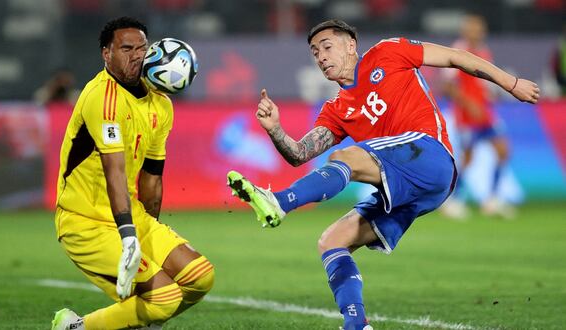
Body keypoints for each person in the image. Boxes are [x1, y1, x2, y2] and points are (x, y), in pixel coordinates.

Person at [227, 19, 539, 330]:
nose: (321, 57)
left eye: (326, 47)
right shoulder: (336, 109)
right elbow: (298, 154)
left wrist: (510, 83)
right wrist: (275, 131)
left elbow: (456, 58)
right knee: (332, 241)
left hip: (431, 155)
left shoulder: (388, 53)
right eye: (314, 52)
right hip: (414, 188)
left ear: (351, 45)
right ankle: (356, 324)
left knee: (346, 157)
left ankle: (280, 201)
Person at [51, 17, 214, 330]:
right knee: (164, 298)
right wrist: (129, 237)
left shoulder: (161, 104)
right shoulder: (102, 97)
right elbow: (114, 171)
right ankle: (75, 328)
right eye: (126, 48)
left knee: (200, 277)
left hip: (131, 214)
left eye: (141, 48)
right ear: (106, 54)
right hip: (86, 222)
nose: (136, 55)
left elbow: (152, 177)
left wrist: (150, 228)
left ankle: (141, 322)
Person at [440, 14, 514, 219]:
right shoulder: (457, 52)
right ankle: (453, 200)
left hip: (485, 113)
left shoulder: (483, 51)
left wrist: (490, 94)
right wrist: (468, 103)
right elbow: (447, 86)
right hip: (466, 116)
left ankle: (492, 200)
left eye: (480, 28)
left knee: (503, 151)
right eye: (473, 28)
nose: (477, 32)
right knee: (468, 158)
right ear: (465, 31)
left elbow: (483, 83)